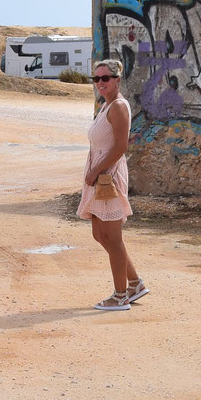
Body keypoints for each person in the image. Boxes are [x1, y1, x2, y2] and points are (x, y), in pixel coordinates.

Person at [79, 59, 144, 310]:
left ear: (117, 80)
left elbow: (120, 146)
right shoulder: (105, 107)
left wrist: (97, 170)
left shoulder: (118, 106)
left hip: (108, 177)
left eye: (105, 78)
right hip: (98, 176)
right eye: (96, 79)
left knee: (113, 237)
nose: (100, 83)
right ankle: (135, 283)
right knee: (100, 234)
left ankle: (120, 295)